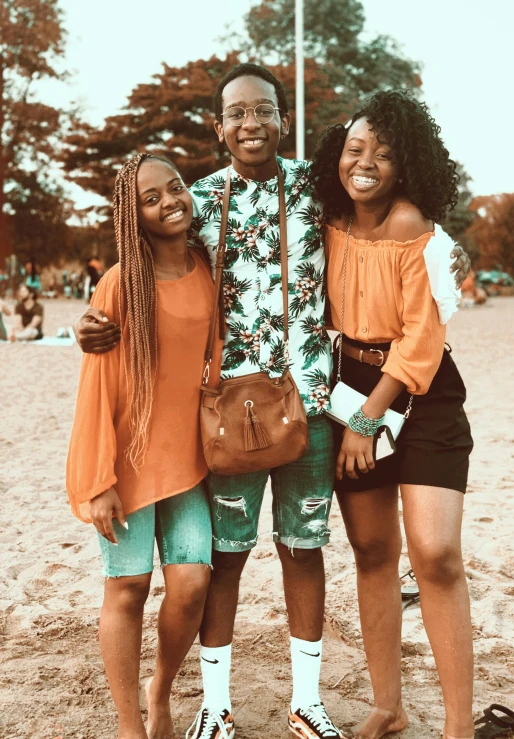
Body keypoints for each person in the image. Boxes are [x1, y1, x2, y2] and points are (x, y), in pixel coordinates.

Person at [73, 64, 471, 739]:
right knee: (226, 556)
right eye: (237, 113)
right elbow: (143, 254)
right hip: (226, 414)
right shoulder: (196, 200)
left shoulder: (320, 192)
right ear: (219, 125)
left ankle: (308, 700)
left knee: (302, 549)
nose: (251, 123)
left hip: (316, 406)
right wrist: (94, 316)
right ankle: (217, 703)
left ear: (284, 118)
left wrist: (450, 250)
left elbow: (390, 224)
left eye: (264, 110)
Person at [311, 91, 475, 739]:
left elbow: (421, 340)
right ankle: (390, 705)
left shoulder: (411, 226)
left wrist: (366, 421)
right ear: (338, 155)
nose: (366, 161)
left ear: (406, 166)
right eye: (356, 148)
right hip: (349, 381)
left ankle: (458, 725)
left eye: (383, 153)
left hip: (420, 393)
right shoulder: (323, 222)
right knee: (373, 551)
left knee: (435, 553)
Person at [67, 153, 220, 739]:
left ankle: (161, 687)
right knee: (127, 587)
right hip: (126, 461)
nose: (169, 202)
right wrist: (97, 480)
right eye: (150, 198)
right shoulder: (118, 284)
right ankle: (132, 726)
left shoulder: (211, 267)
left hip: (190, 460)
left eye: (174, 188)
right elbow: (97, 388)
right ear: (134, 216)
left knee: (190, 584)